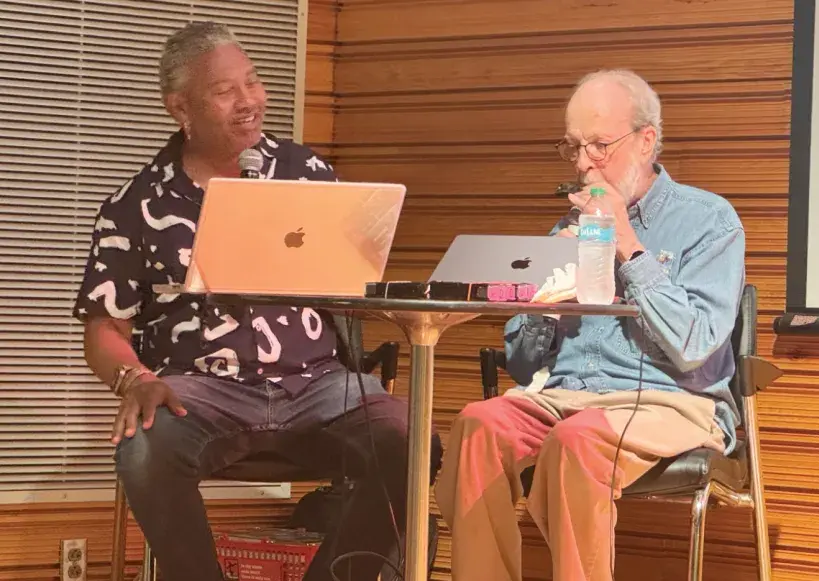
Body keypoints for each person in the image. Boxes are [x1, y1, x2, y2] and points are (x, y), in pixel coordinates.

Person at [73, 21, 442, 581]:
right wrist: (135, 379)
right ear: (181, 108)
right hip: (201, 389)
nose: (249, 101)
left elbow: (352, 281)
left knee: (411, 440)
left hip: (318, 385)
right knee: (143, 446)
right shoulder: (135, 204)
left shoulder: (306, 174)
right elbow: (104, 328)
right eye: (226, 91)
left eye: (253, 82)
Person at [434, 69, 745, 581]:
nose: (583, 163)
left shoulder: (708, 220)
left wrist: (628, 245)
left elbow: (696, 344)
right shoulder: (567, 229)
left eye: (599, 145)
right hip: (564, 397)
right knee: (477, 426)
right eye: (574, 147)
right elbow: (522, 364)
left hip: (672, 403)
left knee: (576, 441)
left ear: (645, 141)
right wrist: (544, 307)